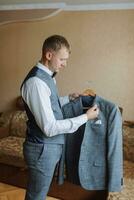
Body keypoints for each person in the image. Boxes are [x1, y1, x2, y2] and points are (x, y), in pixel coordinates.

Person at [21, 35, 99, 200]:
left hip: (47, 148)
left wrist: (67, 99)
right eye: (62, 59)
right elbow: (49, 128)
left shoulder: (47, 77)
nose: (65, 64)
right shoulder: (36, 83)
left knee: (38, 194)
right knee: (36, 196)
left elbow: (49, 106)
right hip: (42, 149)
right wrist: (85, 117)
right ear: (49, 55)